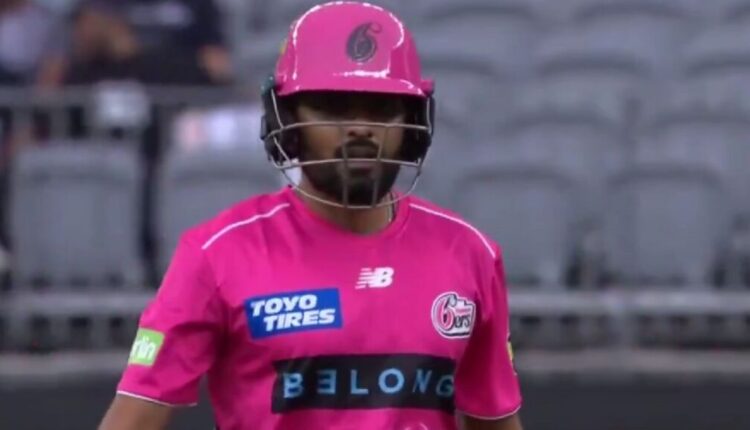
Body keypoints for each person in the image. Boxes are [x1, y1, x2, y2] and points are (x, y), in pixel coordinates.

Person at [98, 2, 523, 429]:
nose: (359, 128)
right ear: (286, 120)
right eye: (333, 106)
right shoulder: (217, 255)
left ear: (414, 122)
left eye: (381, 109)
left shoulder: (470, 254)